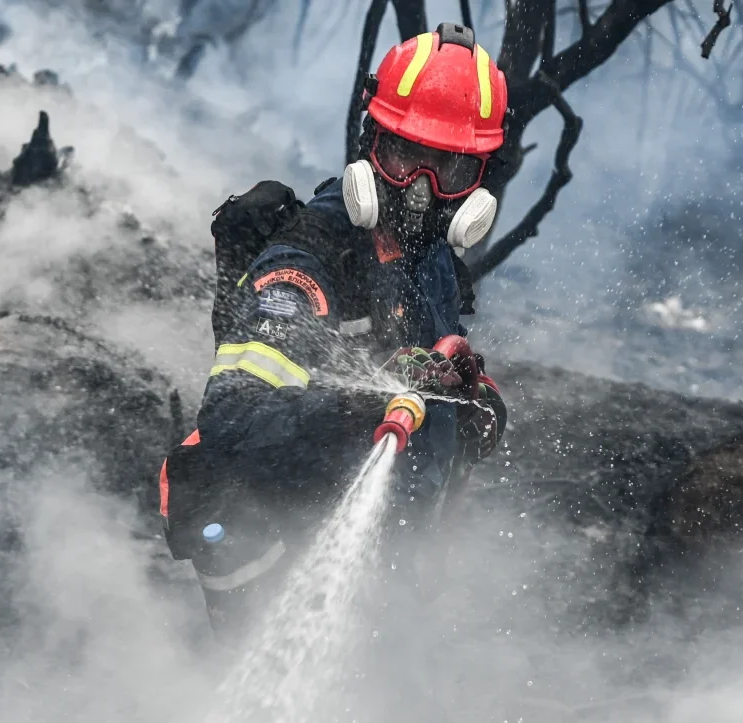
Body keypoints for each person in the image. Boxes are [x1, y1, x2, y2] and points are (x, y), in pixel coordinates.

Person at [160, 23, 509, 642]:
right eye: (404, 156)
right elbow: (234, 418)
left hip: (382, 551)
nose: (422, 191)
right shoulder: (309, 260)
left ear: (479, 177)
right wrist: (363, 404)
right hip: (277, 552)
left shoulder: (430, 258)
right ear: (371, 142)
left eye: (450, 168)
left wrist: (470, 402)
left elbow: (429, 371)